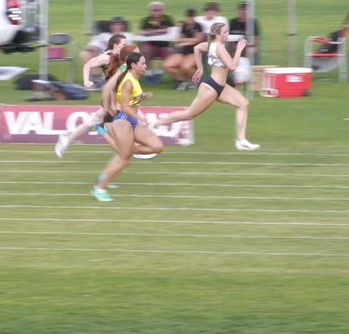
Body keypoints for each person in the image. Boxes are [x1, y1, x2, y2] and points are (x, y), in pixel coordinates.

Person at [150, 23, 259, 151]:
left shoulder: (211, 45)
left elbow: (197, 48)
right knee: (189, 114)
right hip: (211, 87)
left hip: (221, 87)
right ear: (218, 35)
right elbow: (232, 66)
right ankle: (155, 124)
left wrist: (200, 69)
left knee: (243, 104)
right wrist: (240, 49)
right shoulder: (218, 47)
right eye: (224, 32)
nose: (227, 34)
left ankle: (241, 141)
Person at [91, 51, 165, 201]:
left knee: (157, 146)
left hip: (131, 121)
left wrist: (143, 96)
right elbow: (124, 106)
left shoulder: (134, 78)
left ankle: (127, 149)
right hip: (123, 121)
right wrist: (139, 118)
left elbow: (130, 97)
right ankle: (98, 188)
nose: (145, 66)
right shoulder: (129, 81)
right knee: (124, 160)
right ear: (133, 65)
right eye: (142, 63)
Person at [55, 41, 136, 158]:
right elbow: (89, 66)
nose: (126, 46)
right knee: (101, 121)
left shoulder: (123, 61)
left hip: (118, 96)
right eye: (123, 44)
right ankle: (67, 138)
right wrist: (86, 81)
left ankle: (67, 138)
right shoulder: (107, 58)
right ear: (116, 45)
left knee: (96, 122)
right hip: (112, 97)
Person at [162, 8, 203, 90]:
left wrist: (185, 41)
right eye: (188, 17)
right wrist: (190, 41)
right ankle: (181, 79)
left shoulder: (198, 26)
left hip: (193, 52)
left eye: (192, 17)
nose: (190, 19)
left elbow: (198, 39)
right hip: (182, 52)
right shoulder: (183, 26)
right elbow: (179, 39)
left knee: (186, 67)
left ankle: (194, 80)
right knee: (166, 65)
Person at [138, 1, 176, 69]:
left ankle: (160, 71)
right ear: (150, 11)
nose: (156, 13)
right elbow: (141, 32)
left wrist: (152, 31)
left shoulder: (168, 19)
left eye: (158, 10)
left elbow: (172, 31)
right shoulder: (146, 20)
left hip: (164, 45)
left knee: (169, 51)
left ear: (162, 11)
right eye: (154, 10)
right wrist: (162, 31)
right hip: (150, 45)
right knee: (145, 50)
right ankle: (148, 73)